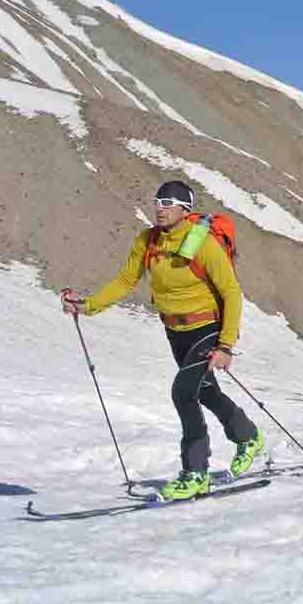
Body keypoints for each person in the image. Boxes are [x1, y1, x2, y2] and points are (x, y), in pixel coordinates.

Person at [60, 180, 265, 501]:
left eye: (168, 202)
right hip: (175, 331)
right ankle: (248, 436)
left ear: (185, 209)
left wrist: (225, 346)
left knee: (183, 393)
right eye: (158, 201)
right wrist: (88, 306)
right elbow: (127, 279)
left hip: (207, 328)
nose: (160, 207)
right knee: (205, 391)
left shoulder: (202, 243)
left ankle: (195, 472)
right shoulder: (149, 239)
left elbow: (231, 292)